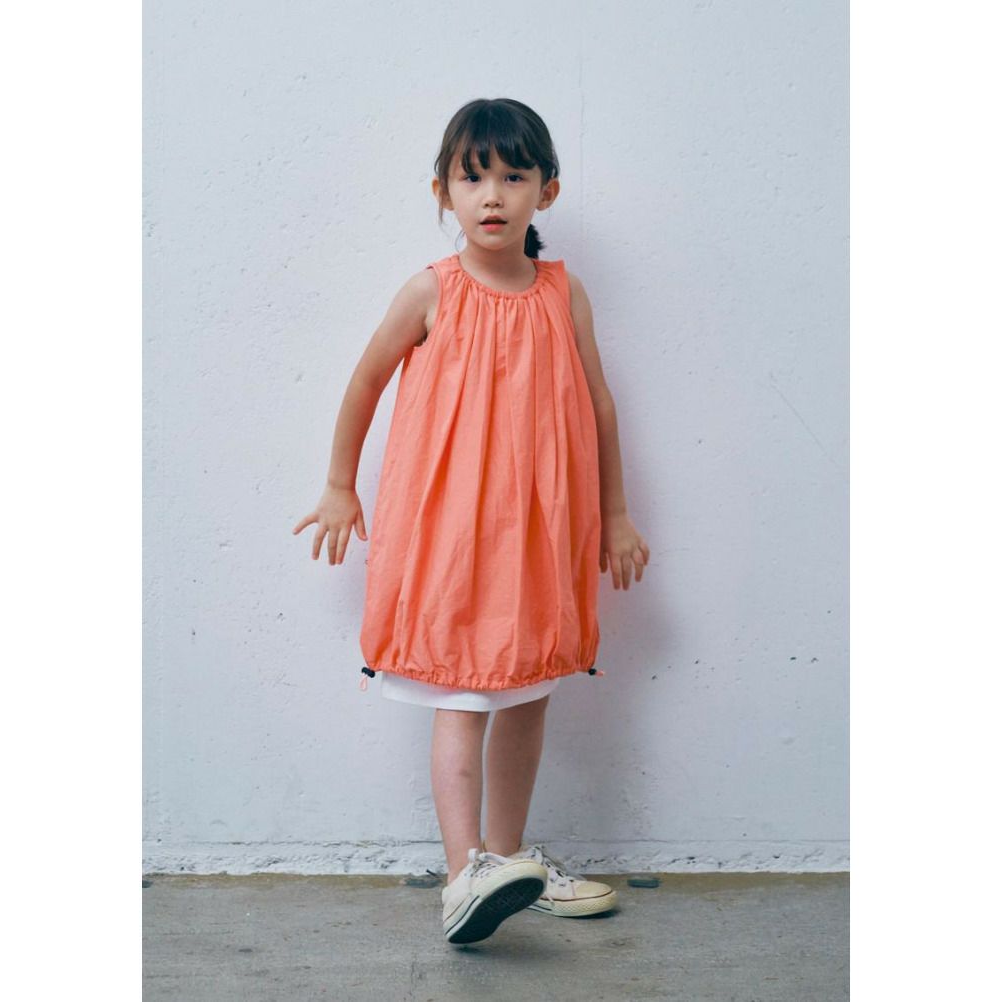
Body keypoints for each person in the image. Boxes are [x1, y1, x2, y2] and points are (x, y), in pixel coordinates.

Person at [293, 97, 650, 945]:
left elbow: (598, 404)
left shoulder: (565, 294)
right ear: (442, 193)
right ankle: (465, 878)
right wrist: (340, 485)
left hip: (538, 534)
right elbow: (365, 381)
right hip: (452, 534)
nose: (493, 195)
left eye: (514, 176)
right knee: (461, 692)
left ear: (547, 191)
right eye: (472, 177)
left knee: (526, 692)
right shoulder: (431, 291)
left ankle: (510, 864)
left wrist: (615, 514)